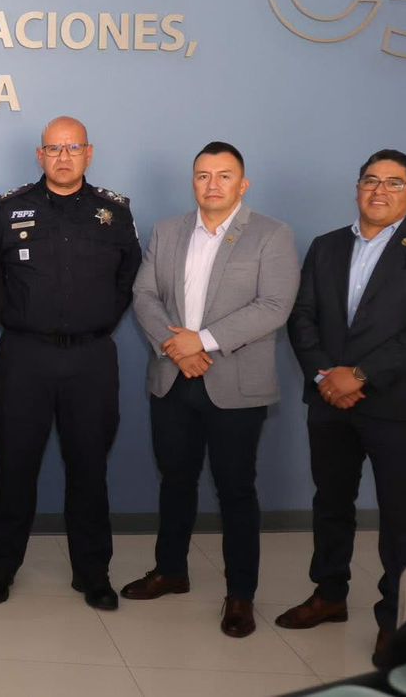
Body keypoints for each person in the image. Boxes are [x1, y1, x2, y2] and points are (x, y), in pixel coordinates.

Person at [279, 149, 406, 666]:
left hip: (397, 404)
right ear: (357, 188)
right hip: (329, 400)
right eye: (370, 180)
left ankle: (397, 619)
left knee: (402, 516)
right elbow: (302, 316)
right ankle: (329, 594)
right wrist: (325, 375)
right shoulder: (327, 246)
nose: (380, 191)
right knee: (331, 503)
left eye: (394, 183)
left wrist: (357, 375)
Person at [119, 142, 299, 638]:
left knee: (235, 489)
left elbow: (274, 305)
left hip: (235, 383)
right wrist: (178, 347)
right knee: (175, 480)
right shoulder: (168, 231)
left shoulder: (272, 234)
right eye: (203, 175)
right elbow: (144, 294)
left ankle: (240, 593)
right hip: (173, 377)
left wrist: (203, 341)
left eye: (224, 175)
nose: (212, 184)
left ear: (243, 184)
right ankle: (170, 571)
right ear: (193, 181)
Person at [0, 116, 140, 612]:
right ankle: (1, 567)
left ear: (89, 153)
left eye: (73, 148)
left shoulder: (114, 213)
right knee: (14, 467)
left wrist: (97, 321)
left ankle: (93, 573)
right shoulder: (9, 209)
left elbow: (128, 280)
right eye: (54, 148)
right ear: (40, 155)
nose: (63, 157)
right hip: (24, 357)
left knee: (89, 469)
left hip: (91, 358)